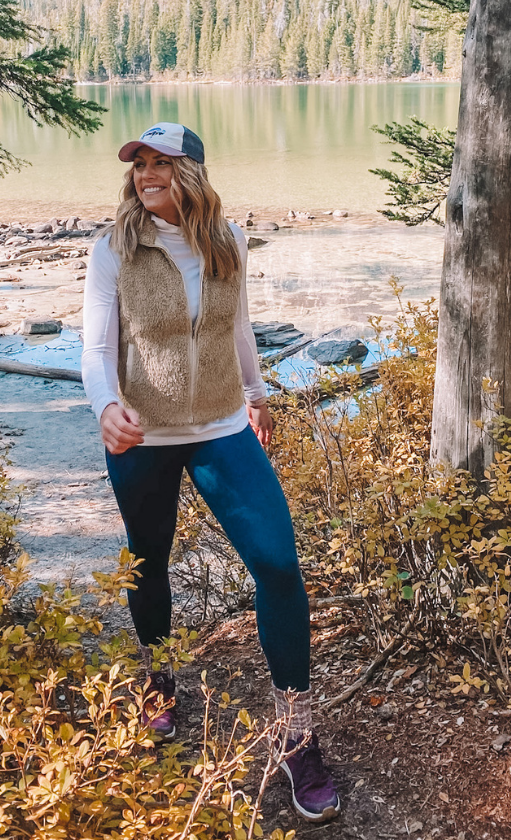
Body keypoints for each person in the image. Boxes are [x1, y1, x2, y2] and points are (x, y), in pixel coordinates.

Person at [81, 122, 341, 823]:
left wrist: (256, 396)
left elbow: (238, 326)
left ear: (192, 172)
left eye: (162, 164)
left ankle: (296, 733)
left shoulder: (225, 243)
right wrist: (106, 406)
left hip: (221, 428)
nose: (147, 175)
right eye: (140, 164)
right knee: (148, 560)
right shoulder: (113, 249)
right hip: (143, 435)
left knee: (279, 566)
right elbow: (95, 348)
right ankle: (159, 679)